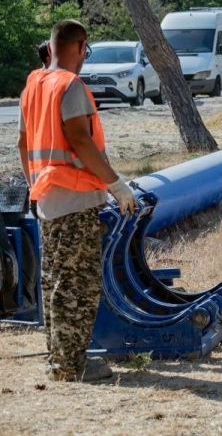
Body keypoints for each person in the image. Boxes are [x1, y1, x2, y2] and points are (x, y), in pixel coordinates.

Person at [17, 20, 136, 382]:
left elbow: (23, 144)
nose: (85, 56)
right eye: (86, 49)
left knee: (54, 280)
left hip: (48, 198)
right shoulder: (70, 86)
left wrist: (34, 186)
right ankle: (70, 367)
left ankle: (59, 359)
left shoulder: (33, 86)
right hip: (76, 199)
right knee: (77, 286)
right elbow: (81, 142)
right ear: (80, 45)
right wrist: (116, 185)